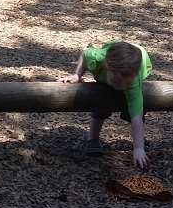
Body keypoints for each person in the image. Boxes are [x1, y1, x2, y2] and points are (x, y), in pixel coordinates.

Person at [57, 41, 152, 169]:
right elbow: (85, 55)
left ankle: (136, 134)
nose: (121, 86)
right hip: (110, 65)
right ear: (105, 68)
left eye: (126, 83)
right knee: (100, 105)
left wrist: (138, 148)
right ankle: (92, 139)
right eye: (116, 81)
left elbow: (137, 116)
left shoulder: (133, 81)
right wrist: (77, 75)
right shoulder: (96, 59)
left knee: (134, 110)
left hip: (142, 59)